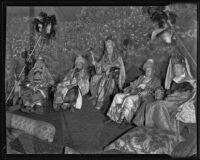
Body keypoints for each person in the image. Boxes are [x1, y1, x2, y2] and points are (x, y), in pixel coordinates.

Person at [133, 55, 196, 142]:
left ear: (184, 69)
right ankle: (146, 129)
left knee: (157, 105)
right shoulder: (175, 80)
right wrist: (160, 92)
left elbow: (182, 96)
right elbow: (168, 92)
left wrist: (166, 99)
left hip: (177, 104)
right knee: (149, 103)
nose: (175, 70)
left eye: (178, 67)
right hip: (169, 101)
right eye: (174, 68)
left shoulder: (187, 83)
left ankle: (165, 134)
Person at [106, 59, 161, 124]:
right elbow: (133, 84)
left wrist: (147, 91)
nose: (147, 71)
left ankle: (125, 119)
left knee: (129, 99)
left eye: (149, 70)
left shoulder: (156, 80)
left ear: (153, 71)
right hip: (133, 92)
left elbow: (155, 90)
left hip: (142, 96)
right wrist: (129, 88)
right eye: (146, 70)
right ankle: (113, 117)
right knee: (117, 96)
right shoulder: (141, 77)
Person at [89, 36, 126, 110]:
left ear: (113, 47)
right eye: (107, 47)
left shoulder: (118, 57)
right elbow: (99, 66)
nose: (108, 49)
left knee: (103, 80)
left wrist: (110, 67)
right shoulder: (105, 56)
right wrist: (95, 63)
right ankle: (95, 96)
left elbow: (120, 67)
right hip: (104, 74)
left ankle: (100, 101)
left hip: (113, 76)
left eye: (110, 47)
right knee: (94, 78)